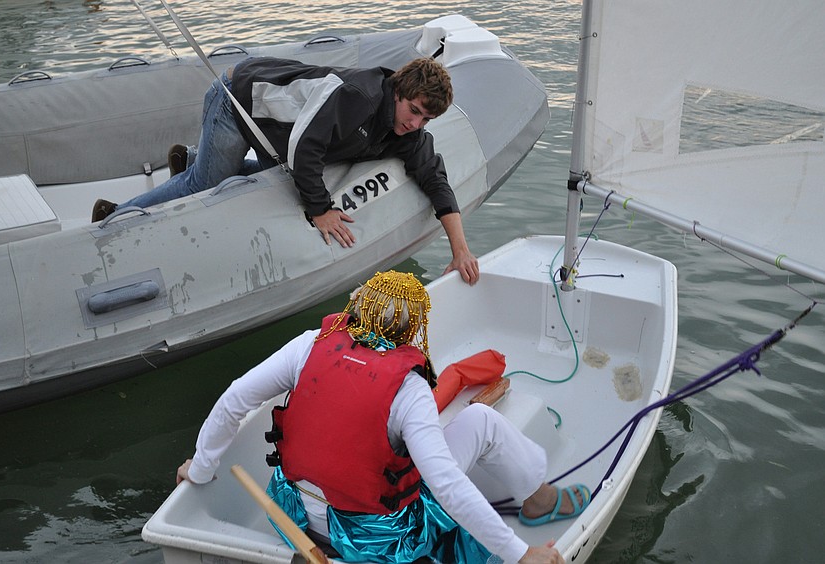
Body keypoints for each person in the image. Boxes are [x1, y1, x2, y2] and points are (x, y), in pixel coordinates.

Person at [176, 270, 590, 564]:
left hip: (292, 516)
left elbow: (234, 400)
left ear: (357, 308)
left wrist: (200, 469)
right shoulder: (409, 390)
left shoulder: (309, 346)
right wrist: (520, 554)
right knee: (479, 421)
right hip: (373, 540)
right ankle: (537, 500)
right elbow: (445, 484)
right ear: (413, 329)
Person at [92, 57, 479, 285]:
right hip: (241, 103)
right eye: (414, 111)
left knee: (262, 185)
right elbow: (306, 148)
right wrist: (320, 209)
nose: (415, 124)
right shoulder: (359, 97)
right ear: (398, 92)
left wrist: (460, 250)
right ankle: (116, 213)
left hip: (279, 129)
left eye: (426, 119)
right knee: (205, 185)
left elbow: (434, 177)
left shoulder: (407, 131)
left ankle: (194, 157)